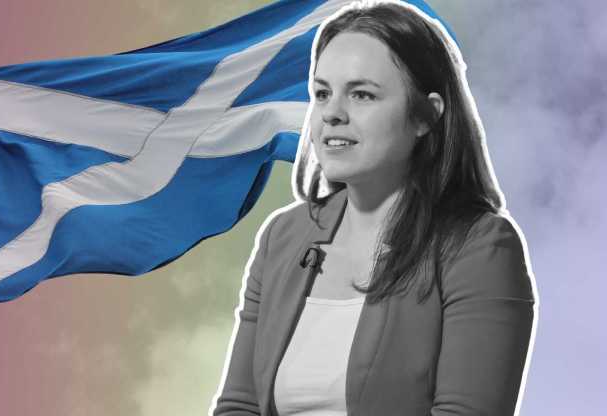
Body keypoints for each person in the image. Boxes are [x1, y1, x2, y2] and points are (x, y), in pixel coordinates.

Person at [211, 1, 537, 415]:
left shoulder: (480, 248)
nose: (332, 114)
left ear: (426, 116)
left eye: (362, 94)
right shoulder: (282, 238)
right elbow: (238, 405)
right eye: (322, 93)